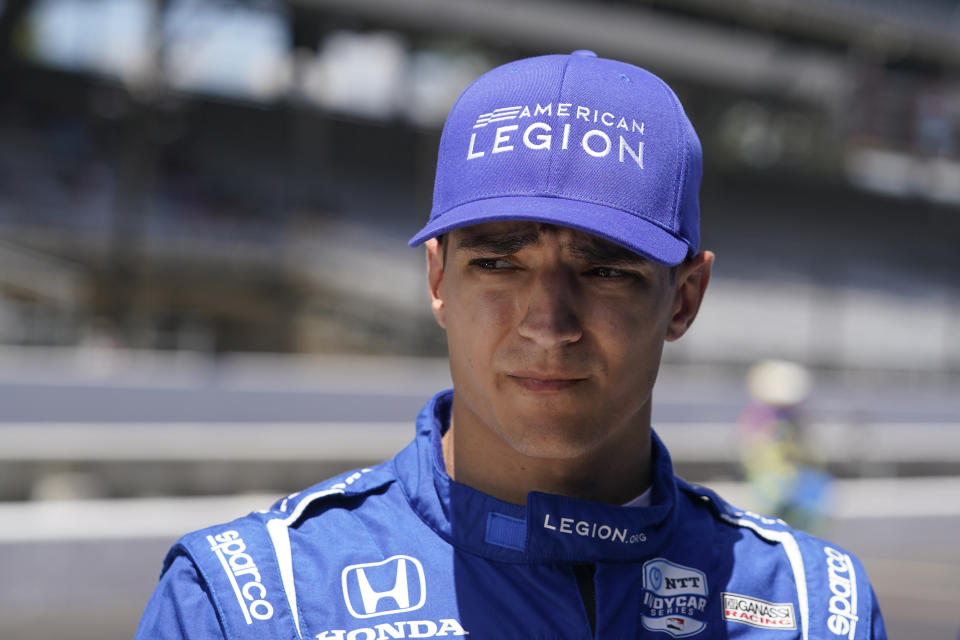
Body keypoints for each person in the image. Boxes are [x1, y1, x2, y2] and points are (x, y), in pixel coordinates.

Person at [136, 50, 887, 639]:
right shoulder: (252, 603)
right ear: (437, 279)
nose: (547, 322)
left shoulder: (816, 611)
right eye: (497, 262)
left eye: (604, 270)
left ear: (684, 297)